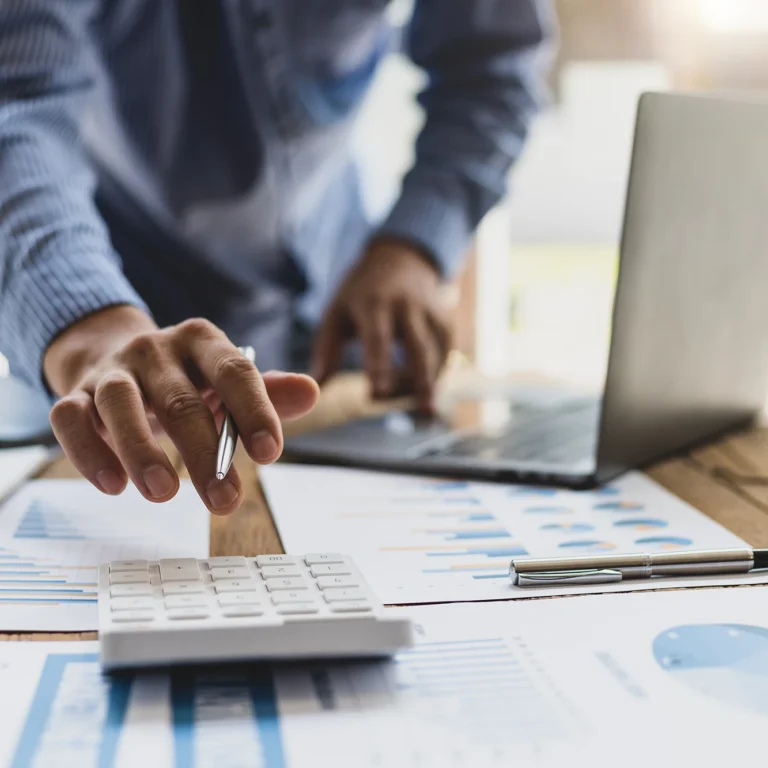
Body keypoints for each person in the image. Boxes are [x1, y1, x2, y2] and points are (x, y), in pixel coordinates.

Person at [0, 0, 554, 514]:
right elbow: (18, 103)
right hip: (107, 350)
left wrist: (412, 246)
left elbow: (492, 68)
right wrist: (84, 322)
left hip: (339, 328)